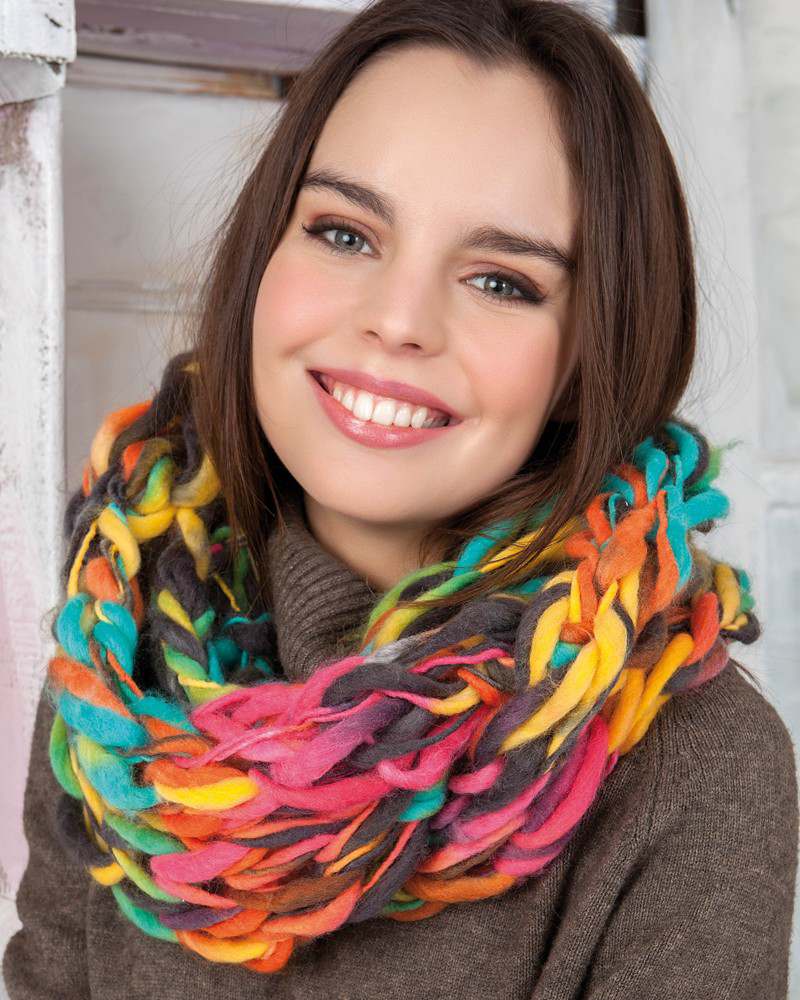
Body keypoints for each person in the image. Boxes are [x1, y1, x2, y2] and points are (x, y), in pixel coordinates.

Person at [4, 1, 797, 998]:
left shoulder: (691, 768)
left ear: (589, 356)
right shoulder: (119, 661)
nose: (398, 320)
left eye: (501, 281)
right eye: (344, 232)